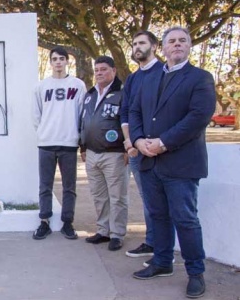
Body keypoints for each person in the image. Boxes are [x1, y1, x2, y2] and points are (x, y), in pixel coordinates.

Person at [130, 26, 215, 299]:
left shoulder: (200, 78)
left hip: (181, 164)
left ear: (189, 46)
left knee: (185, 219)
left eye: (182, 41)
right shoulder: (149, 79)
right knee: (158, 216)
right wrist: (139, 140)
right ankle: (162, 262)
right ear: (163, 48)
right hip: (149, 162)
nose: (177, 45)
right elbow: (135, 111)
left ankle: (195, 273)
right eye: (172, 41)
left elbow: (198, 117)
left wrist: (163, 142)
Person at [32, 47, 86, 240]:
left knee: (69, 186)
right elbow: (36, 114)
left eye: (61, 59)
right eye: (54, 59)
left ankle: (68, 222)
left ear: (67, 62)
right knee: (45, 185)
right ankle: (44, 222)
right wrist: (43, 132)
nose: (58, 62)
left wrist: (77, 136)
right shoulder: (41, 86)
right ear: (50, 62)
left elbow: (82, 113)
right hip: (46, 142)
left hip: (69, 143)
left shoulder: (78, 85)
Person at [120, 31, 165, 262]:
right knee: (148, 199)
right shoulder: (133, 79)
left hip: (162, 149)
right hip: (138, 150)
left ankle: (164, 248)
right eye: (135, 44)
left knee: (164, 202)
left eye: (142, 43)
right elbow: (126, 112)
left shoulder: (165, 73)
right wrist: (130, 143)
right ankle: (152, 243)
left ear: (155, 46)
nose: (137, 47)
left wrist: (157, 142)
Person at [80, 56, 128, 252]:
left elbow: (128, 121)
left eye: (104, 69)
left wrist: (127, 148)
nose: (99, 73)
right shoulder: (90, 95)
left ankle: (117, 234)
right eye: (97, 70)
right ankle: (103, 230)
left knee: (117, 196)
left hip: (114, 153)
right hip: (91, 153)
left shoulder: (122, 94)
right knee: (99, 195)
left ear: (113, 71)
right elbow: (82, 122)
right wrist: (82, 146)